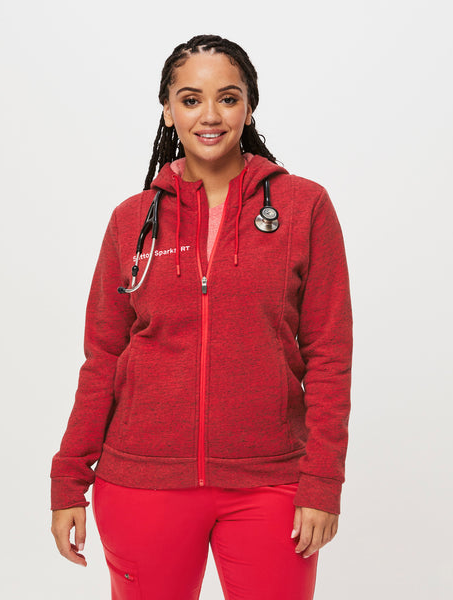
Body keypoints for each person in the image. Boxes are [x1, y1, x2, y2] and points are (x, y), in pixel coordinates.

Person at [50, 34, 353, 600]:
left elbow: (330, 356)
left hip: (271, 482)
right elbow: (103, 357)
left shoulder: (303, 207)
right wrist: (69, 476)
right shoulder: (132, 220)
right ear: (168, 110)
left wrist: (322, 481)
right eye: (190, 99)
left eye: (228, 98)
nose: (209, 115)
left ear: (249, 107)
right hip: (142, 481)